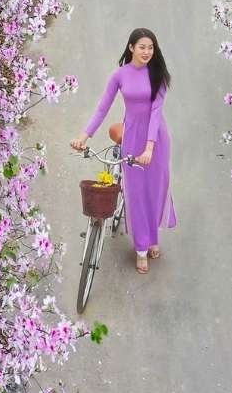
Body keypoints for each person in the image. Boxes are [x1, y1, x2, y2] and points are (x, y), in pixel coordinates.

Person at [70, 28, 177, 274]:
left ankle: (153, 238)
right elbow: (102, 109)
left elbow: (155, 114)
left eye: (151, 48)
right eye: (142, 47)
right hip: (132, 137)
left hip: (157, 138)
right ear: (131, 48)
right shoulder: (120, 75)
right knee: (136, 193)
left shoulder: (157, 74)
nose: (147, 52)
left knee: (156, 190)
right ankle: (141, 248)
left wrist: (149, 147)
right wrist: (83, 137)